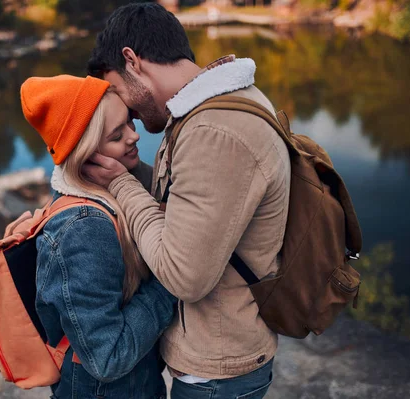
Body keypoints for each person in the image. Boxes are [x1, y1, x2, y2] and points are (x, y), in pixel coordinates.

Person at [83, 3, 291, 399]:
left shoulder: (215, 131)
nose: (126, 108)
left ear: (132, 61)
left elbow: (183, 276)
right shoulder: (210, 110)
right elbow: (182, 196)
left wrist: (121, 184)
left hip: (216, 374)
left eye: (118, 89)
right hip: (220, 363)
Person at [20, 74, 176, 399]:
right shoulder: (85, 228)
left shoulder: (101, 189)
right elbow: (107, 357)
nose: (134, 136)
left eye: (129, 123)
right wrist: (173, 279)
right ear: (87, 153)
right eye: (117, 135)